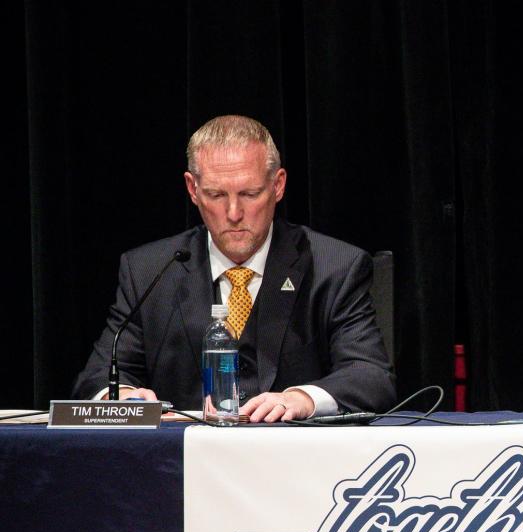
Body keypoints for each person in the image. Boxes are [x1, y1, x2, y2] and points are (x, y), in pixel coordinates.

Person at [73, 115, 396, 422]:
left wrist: (302, 399)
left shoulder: (334, 266)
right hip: (180, 463)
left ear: (278, 185)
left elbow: (370, 376)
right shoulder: (149, 270)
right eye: (215, 194)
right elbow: (100, 376)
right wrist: (126, 401)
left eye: (249, 193)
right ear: (193, 189)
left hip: (293, 462)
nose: (233, 212)